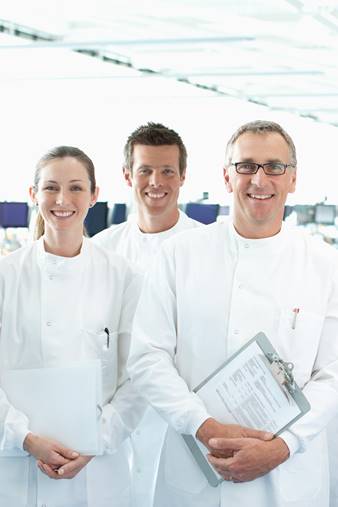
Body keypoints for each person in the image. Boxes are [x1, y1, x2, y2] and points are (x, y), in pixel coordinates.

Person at [128, 120, 338, 507]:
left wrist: (284, 446)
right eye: (246, 166)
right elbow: (147, 357)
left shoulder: (325, 265)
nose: (259, 179)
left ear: (293, 180)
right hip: (194, 468)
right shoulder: (180, 255)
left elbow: (332, 375)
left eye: (274, 167)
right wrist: (202, 426)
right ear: (227, 177)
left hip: (288, 478)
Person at [0, 146, 143, 507]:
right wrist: (24, 437)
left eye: (77, 188)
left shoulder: (122, 276)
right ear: (33, 195)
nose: (62, 199)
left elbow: (139, 374)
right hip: (19, 466)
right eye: (50, 188)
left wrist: (96, 440)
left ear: (95, 195)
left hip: (99, 469)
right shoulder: (7, 275)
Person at [93, 122, 200, 506]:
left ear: (183, 176)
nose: (156, 181)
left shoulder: (204, 248)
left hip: (179, 417)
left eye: (168, 171)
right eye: (145, 170)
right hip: (112, 416)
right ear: (127, 175)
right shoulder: (102, 249)